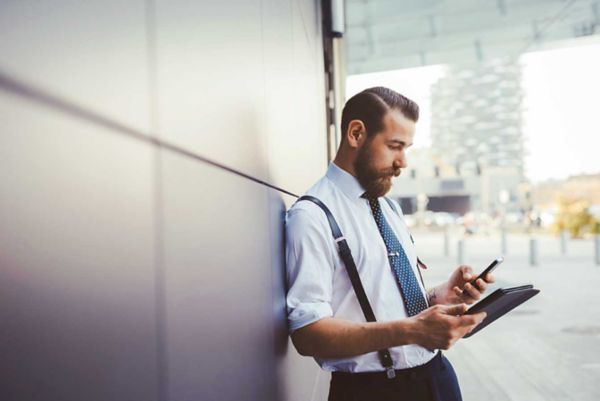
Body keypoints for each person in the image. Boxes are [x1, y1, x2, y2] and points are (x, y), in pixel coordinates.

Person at [285, 87, 494, 401]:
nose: (403, 162)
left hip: (437, 377)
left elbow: (388, 299)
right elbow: (307, 334)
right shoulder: (312, 216)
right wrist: (412, 330)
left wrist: (440, 295)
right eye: (395, 146)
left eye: (407, 148)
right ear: (356, 133)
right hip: (373, 391)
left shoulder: (388, 208)